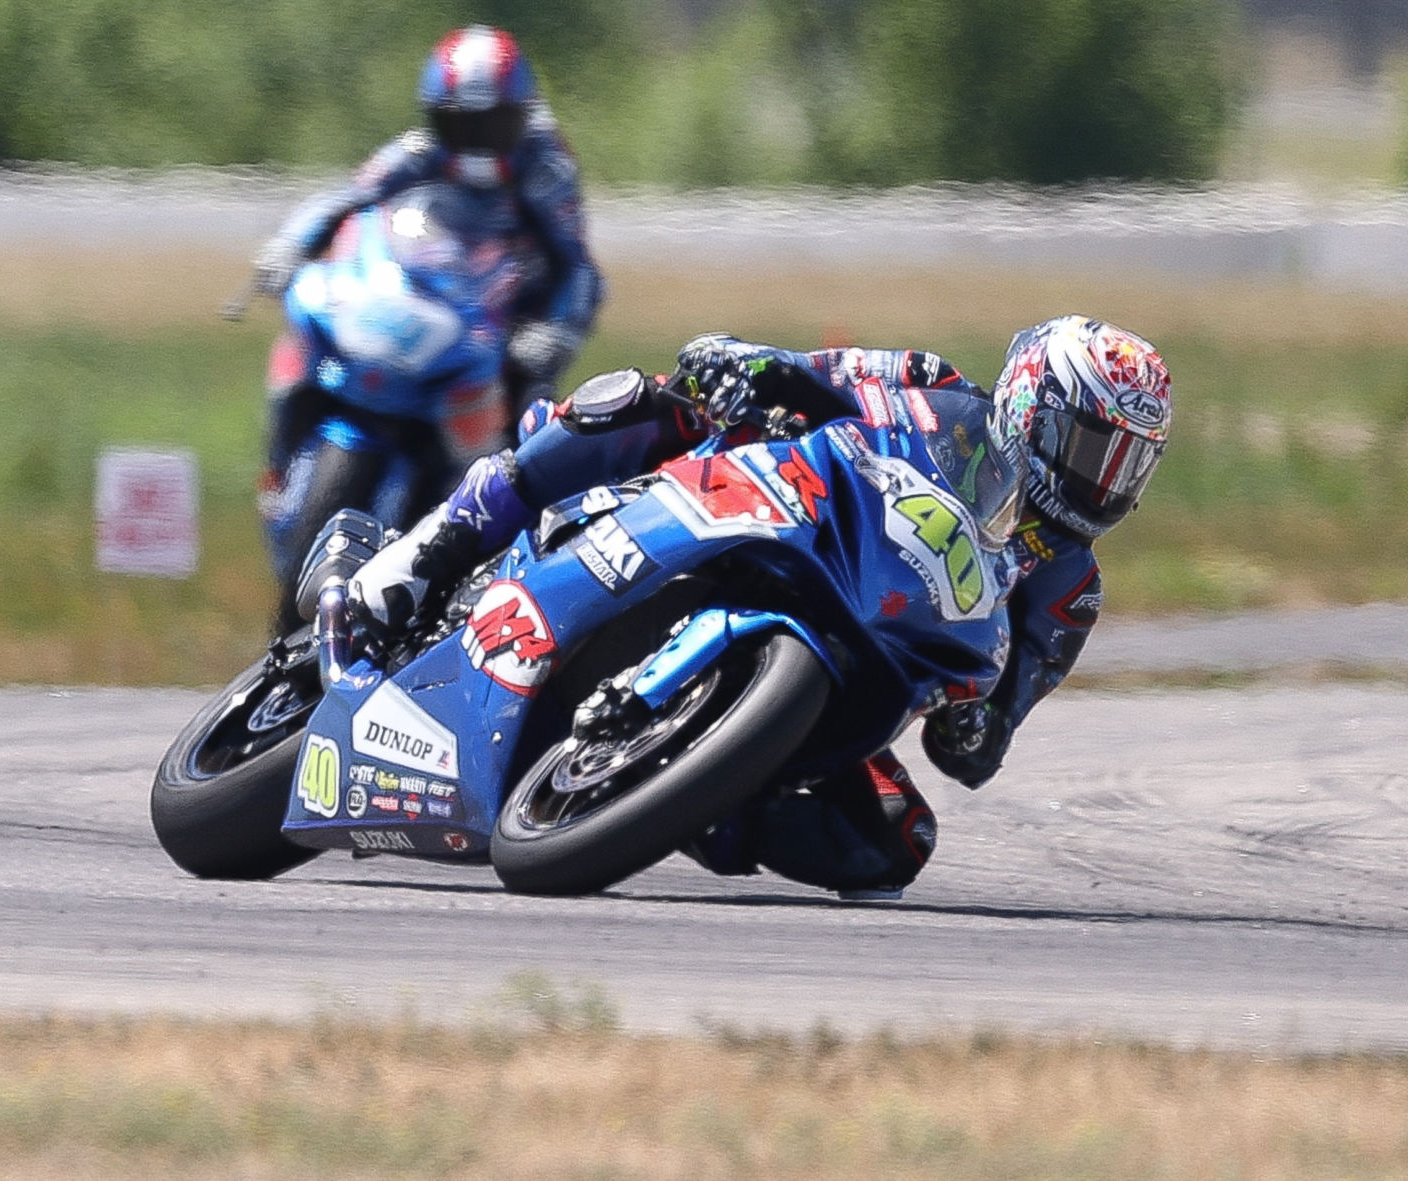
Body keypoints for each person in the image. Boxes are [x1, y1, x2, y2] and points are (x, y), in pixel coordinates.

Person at [344, 317, 1172, 898]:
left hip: (871, 659)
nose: (1106, 482)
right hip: (783, 514)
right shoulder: (936, 387)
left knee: (895, 840)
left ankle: (699, 800)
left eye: (1129, 466)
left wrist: (975, 727)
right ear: (1035, 406)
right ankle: (432, 551)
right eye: (1096, 449)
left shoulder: (1070, 588)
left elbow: (993, 734)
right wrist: (754, 368)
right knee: (648, 401)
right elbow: (826, 373)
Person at [252, 24, 603, 422]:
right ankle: (279, 467)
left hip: (506, 324)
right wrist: (290, 243)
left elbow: (577, 266)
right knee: (308, 350)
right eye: (462, 126)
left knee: (528, 413)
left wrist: (559, 332)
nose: (478, 143)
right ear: (435, 117)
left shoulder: (548, 170)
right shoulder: (421, 149)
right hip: (431, 300)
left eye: (494, 126)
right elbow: (346, 196)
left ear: (521, 115)